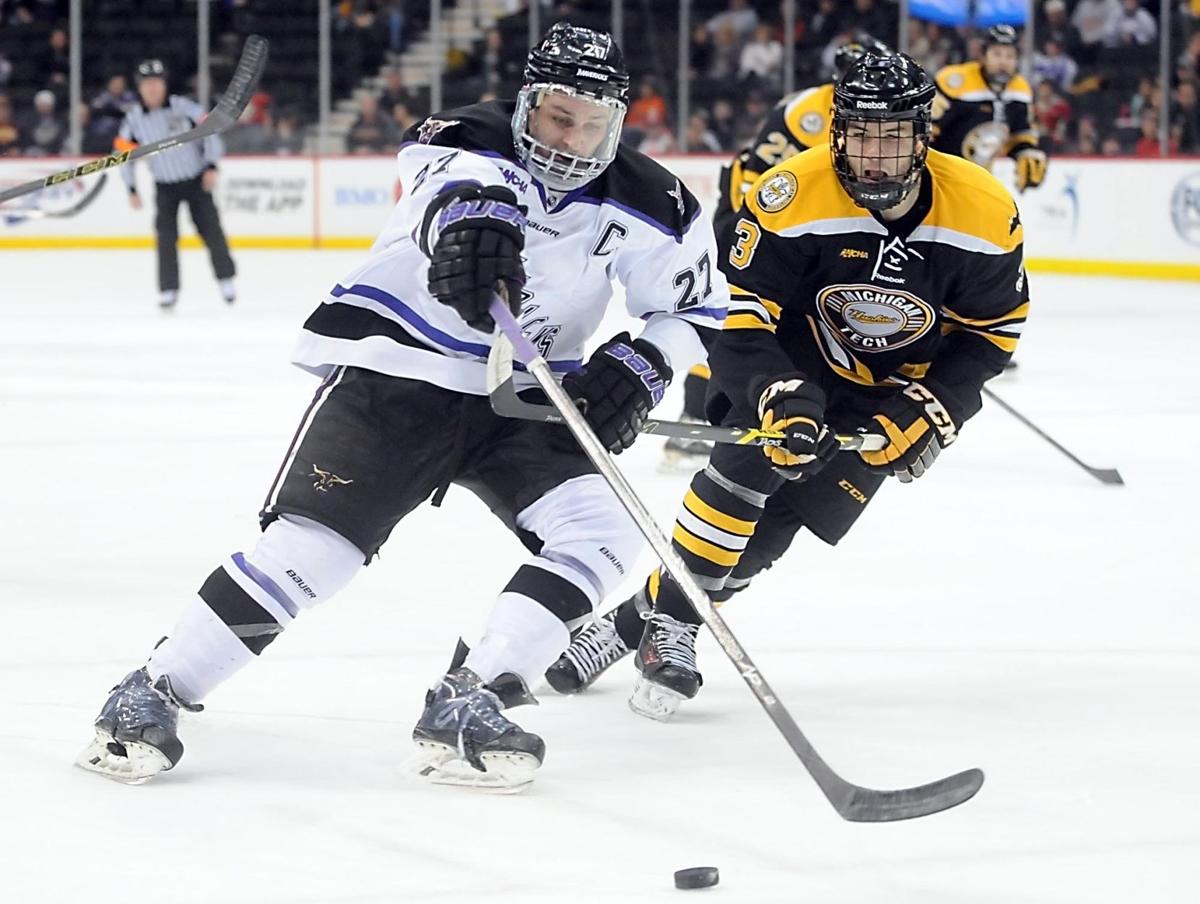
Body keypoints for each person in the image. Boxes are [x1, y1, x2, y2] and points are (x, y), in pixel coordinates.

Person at [77, 24, 725, 791]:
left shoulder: (656, 200)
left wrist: (643, 364)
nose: (572, 138)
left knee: (602, 531)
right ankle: (152, 690)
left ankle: (473, 696)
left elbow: (696, 310)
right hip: (400, 375)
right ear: (526, 104)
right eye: (557, 115)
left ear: (618, 122)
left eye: (592, 123)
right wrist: (470, 232)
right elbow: (446, 193)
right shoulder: (467, 136)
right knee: (317, 554)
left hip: (525, 395)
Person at [546, 53, 1029, 720]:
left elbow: (992, 333)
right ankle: (676, 629)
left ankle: (635, 620)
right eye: (861, 135)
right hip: (793, 359)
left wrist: (937, 406)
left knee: (764, 544)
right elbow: (739, 313)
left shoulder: (982, 208)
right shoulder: (789, 193)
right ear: (837, 132)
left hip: (889, 386)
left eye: (894, 138)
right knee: (745, 473)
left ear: (923, 136)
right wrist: (775, 391)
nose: (877, 156)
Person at [662, 36, 888, 471]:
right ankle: (693, 411)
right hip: (751, 215)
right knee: (739, 314)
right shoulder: (807, 113)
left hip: (797, 229)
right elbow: (764, 188)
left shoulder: (866, 122)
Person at [117, 59, 236, 309]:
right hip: (165, 186)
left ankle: (226, 279)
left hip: (195, 181)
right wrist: (131, 188)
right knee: (166, 238)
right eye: (147, 84)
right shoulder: (133, 119)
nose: (152, 88)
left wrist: (211, 165)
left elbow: (211, 130)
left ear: (164, 84)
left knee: (211, 231)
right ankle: (168, 289)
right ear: (139, 87)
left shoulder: (182, 107)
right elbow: (123, 156)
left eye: (157, 83)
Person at [931, 25, 1048, 194]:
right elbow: (926, 131)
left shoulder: (1020, 89)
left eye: (1010, 55)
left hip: (980, 180)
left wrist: (1026, 152)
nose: (1003, 62)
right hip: (940, 178)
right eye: (997, 54)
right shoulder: (956, 83)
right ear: (983, 56)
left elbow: (1019, 133)